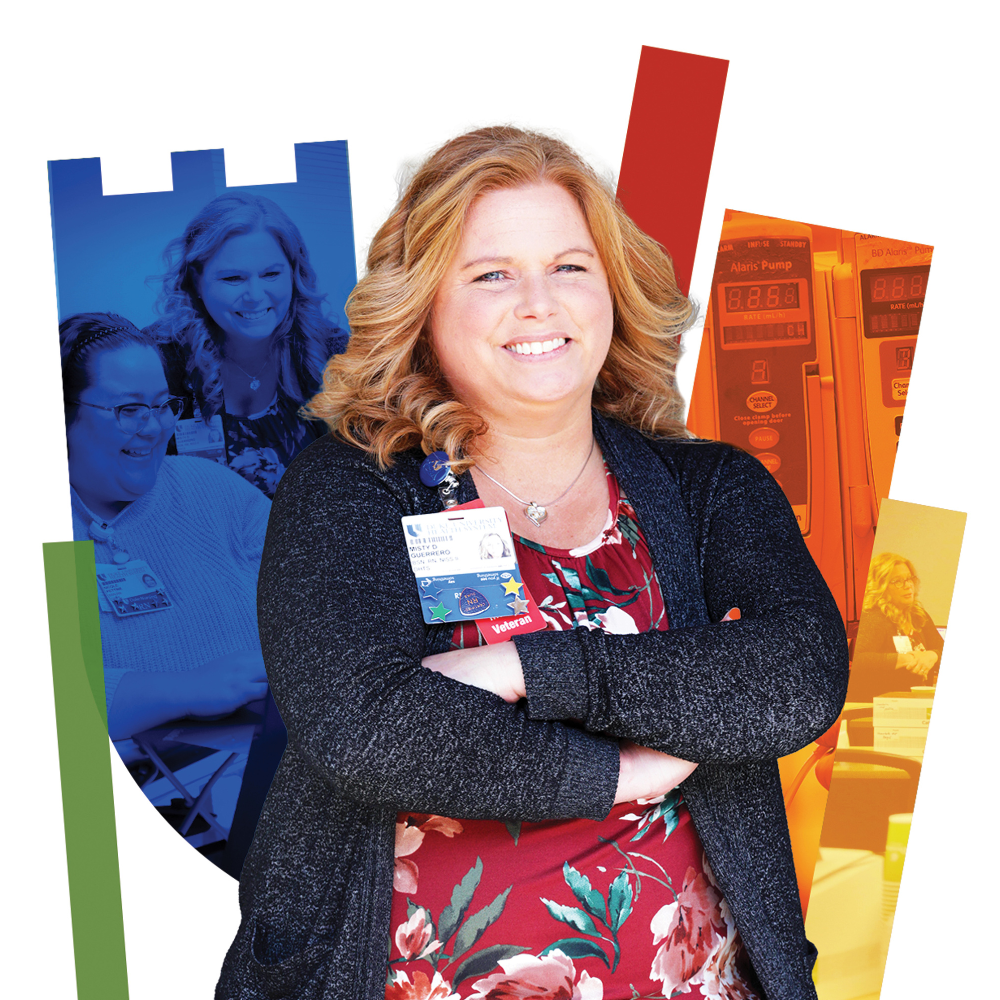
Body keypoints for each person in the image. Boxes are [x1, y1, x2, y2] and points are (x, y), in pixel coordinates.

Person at [217, 128, 848, 1000]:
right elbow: (365, 728)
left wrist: (523, 667)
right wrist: (619, 771)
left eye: (569, 267)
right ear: (425, 306)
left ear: (615, 292)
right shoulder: (353, 487)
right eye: (491, 275)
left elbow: (795, 678)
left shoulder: (710, 489)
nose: (538, 303)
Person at [60, 312, 270, 741]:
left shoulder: (214, 490)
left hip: (271, 773)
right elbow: (53, 704)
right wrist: (187, 690)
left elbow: (323, 596)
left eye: (162, 405)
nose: (154, 428)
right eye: (129, 409)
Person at [151, 193, 349, 497]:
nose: (255, 295)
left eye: (271, 274)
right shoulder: (157, 361)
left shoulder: (333, 352)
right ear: (196, 281)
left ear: (294, 274)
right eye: (233, 278)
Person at [850, 552, 943, 700]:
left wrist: (932, 656)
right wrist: (908, 659)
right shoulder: (873, 616)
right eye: (897, 581)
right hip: (875, 705)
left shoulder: (918, 615)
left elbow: (942, 648)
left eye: (909, 578)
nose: (907, 585)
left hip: (912, 702)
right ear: (881, 586)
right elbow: (859, 660)